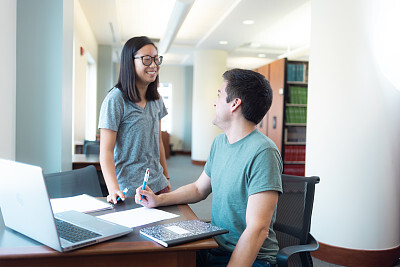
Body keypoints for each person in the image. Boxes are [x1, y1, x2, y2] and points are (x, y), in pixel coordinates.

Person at [135, 68, 283, 266]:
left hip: (249, 258)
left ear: (235, 104)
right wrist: (159, 199)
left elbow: (258, 230)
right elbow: (199, 189)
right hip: (214, 246)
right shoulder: (220, 143)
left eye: (219, 95)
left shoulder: (263, 152)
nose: (214, 102)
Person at [98, 36, 170, 204]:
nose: (154, 65)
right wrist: (113, 189)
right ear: (130, 62)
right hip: (128, 191)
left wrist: (166, 178)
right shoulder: (116, 99)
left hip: (159, 186)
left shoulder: (156, 99)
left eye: (156, 59)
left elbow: (158, 142)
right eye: (146, 59)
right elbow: (106, 151)